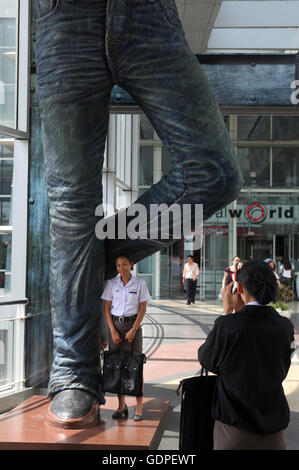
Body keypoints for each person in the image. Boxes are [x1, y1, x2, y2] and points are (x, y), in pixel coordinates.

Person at [36, 0, 243, 426]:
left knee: (215, 175)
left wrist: (88, 257)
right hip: (64, 17)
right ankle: (74, 369)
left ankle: (85, 254)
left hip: (151, 15)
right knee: (72, 204)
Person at [198, 260, 295, 450]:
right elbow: (281, 366)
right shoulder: (285, 326)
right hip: (274, 430)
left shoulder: (228, 325)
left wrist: (227, 314)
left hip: (234, 428)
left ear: (239, 287)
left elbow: (207, 359)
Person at [101, 254, 151, 421]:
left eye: (124, 264)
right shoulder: (112, 284)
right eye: (118, 265)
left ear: (131, 264)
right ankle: (121, 405)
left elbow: (142, 309)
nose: (121, 268)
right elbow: (107, 309)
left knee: (135, 365)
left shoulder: (140, 284)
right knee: (117, 366)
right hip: (115, 326)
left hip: (133, 327)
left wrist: (134, 329)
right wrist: (113, 331)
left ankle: (139, 406)